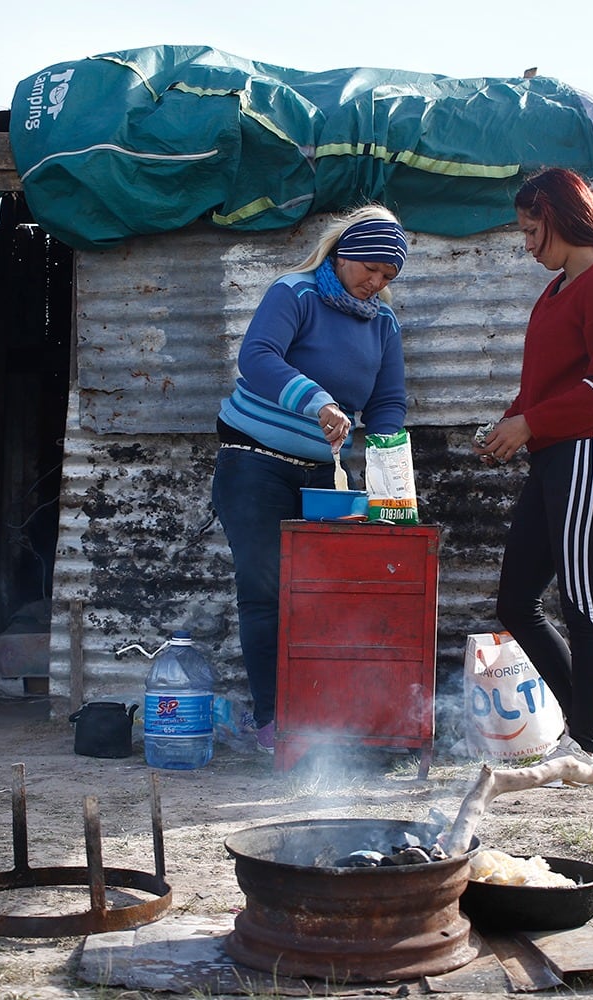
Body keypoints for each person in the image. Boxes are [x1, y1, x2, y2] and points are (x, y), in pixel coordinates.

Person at [474, 167, 593, 786]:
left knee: (581, 601)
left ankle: (583, 744)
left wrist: (529, 425)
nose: (527, 243)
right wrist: (508, 426)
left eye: (532, 229)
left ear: (560, 217)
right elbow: (539, 390)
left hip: (589, 455)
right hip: (553, 459)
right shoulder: (556, 292)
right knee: (516, 601)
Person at [212, 205, 410, 752]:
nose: (376, 283)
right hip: (252, 460)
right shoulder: (294, 293)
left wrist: (389, 467)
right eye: (370, 268)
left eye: (388, 277)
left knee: (321, 596)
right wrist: (318, 400)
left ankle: (321, 725)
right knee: (265, 591)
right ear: (343, 252)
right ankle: (275, 724)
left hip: (323, 475)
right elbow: (257, 357)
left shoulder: (383, 324)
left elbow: (388, 403)